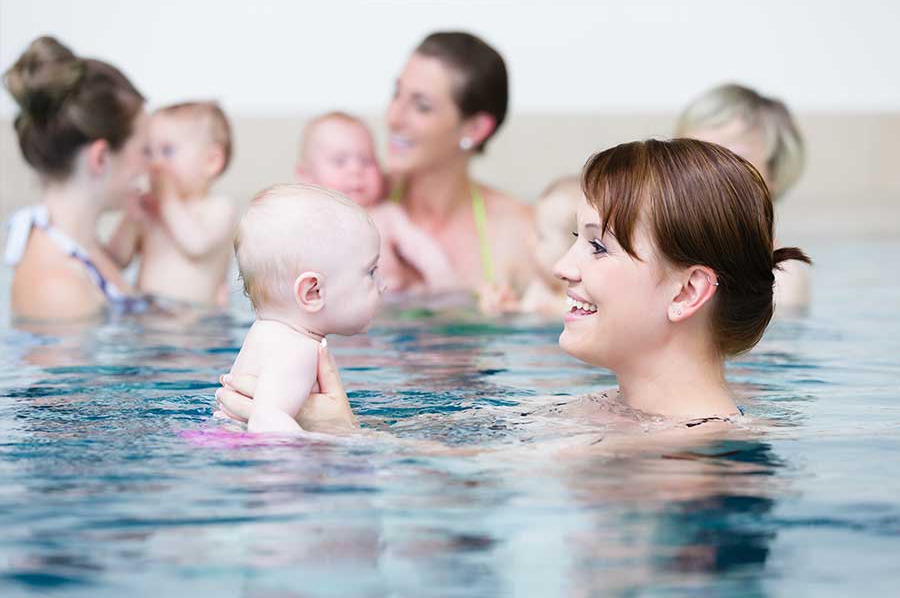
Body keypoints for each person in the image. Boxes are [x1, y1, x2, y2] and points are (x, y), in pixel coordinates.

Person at [217, 139, 811, 446]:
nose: (561, 266)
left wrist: (344, 439)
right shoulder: (597, 413)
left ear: (687, 293)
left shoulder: (698, 461)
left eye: (597, 247)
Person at [3, 36, 149, 321]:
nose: (149, 166)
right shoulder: (57, 290)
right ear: (101, 158)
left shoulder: (85, 248)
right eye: (144, 150)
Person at [384, 31, 533, 310]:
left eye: (422, 106)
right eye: (396, 94)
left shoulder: (519, 233)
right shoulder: (356, 210)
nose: (393, 118)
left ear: (474, 129)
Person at [226, 184, 384, 434]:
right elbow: (266, 423)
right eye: (370, 272)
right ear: (313, 292)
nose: (382, 285)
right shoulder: (299, 349)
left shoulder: (266, 333)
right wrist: (342, 442)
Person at [676, 83, 810, 310]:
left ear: (774, 171)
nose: (705, 173)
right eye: (693, 155)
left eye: (732, 158)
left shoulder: (780, 283)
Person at [295, 111, 457, 294]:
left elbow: (426, 252)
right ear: (306, 176)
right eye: (340, 162)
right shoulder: (305, 223)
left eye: (367, 161)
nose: (356, 170)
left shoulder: (386, 216)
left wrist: (447, 290)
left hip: (391, 307)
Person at [106, 101, 236, 307]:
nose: (155, 163)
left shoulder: (218, 209)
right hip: (144, 320)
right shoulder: (150, 212)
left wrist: (168, 199)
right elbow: (115, 260)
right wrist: (130, 218)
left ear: (211, 161)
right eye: (149, 152)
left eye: (167, 151)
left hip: (196, 327)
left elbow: (196, 245)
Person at [518, 176, 582, 317]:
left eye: (541, 236)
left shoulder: (586, 299)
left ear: (573, 250)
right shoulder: (539, 288)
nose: (530, 241)